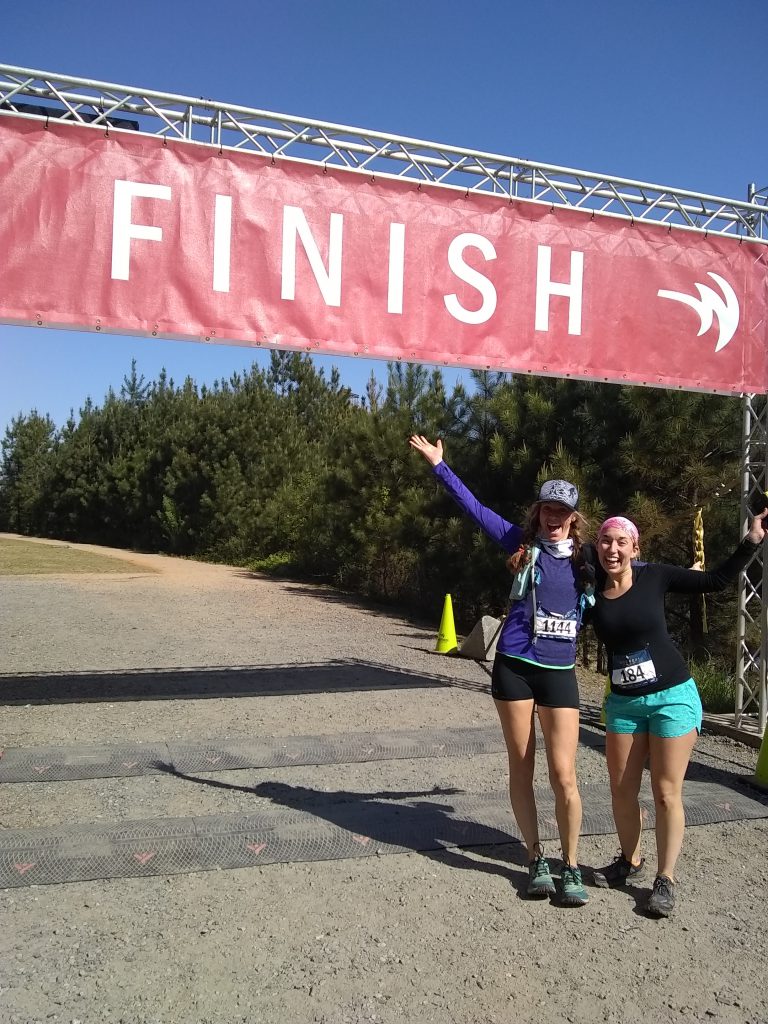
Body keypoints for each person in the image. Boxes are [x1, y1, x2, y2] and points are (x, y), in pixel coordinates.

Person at [409, 434, 595, 906]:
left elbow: (638, 572)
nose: (553, 518)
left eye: (562, 512)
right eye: (547, 510)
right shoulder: (520, 543)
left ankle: (570, 865)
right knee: (523, 765)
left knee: (564, 774)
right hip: (513, 667)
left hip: (559, 674)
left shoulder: (587, 560)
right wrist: (439, 466)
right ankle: (536, 858)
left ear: (573, 518)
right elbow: (473, 508)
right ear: (538, 513)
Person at [590, 511, 767, 917]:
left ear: (635, 548)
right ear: (597, 546)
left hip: (672, 697)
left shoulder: (655, 576)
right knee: (621, 790)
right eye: (605, 541)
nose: (612, 548)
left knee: (666, 792)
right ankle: (629, 861)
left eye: (621, 542)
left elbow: (715, 581)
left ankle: (665, 879)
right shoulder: (592, 587)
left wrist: (752, 540)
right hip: (623, 704)